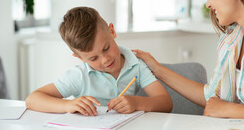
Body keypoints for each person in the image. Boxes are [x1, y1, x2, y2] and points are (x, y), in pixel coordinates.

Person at [26, 6, 172, 116]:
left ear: (112, 31)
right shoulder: (79, 76)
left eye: (106, 48)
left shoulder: (136, 64)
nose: (105, 59)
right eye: (93, 58)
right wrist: (68, 105)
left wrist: (137, 102)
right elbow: (32, 99)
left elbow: (166, 103)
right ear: (80, 58)